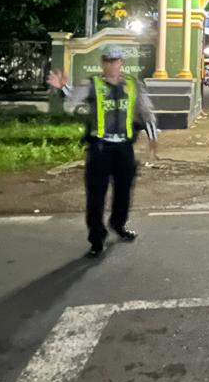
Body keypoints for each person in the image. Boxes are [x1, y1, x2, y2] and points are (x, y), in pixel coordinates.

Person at [47, 45, 158, 258]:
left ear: (121, 63)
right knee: (96, 195)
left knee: (124, 190)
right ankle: (97, 238)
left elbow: (145, 112)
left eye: (115, 60)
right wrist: (62, 88)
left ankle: (118, 224)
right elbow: (72, 102)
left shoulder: (133, 85)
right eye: (107, 60)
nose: (111, 65)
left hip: (124, 148)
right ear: (102, 63)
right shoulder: (92, 84)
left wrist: (153, 139)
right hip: (100, 148)